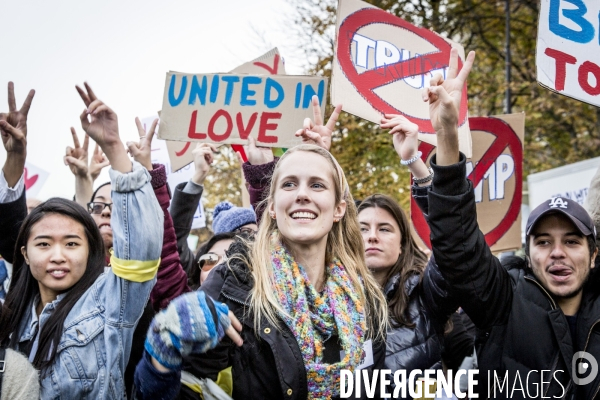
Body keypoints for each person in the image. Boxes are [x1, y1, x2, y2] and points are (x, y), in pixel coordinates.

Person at [422, 48, 600, 398]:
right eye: (544, 241)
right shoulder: (504, 300)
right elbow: (458, 245)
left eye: (573, 241)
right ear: (529, 252)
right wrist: (446, 134)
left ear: (594, 255)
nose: (558, 252)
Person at [0, 81, 163, 398]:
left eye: (72, 244)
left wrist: (114, 146)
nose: (57, 255)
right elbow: (6, 223)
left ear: (91, 251)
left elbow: (142, 248)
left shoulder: (111, 301)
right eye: (44, 244)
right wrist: (16, 155)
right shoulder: (14, 307)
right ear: (25, 253)